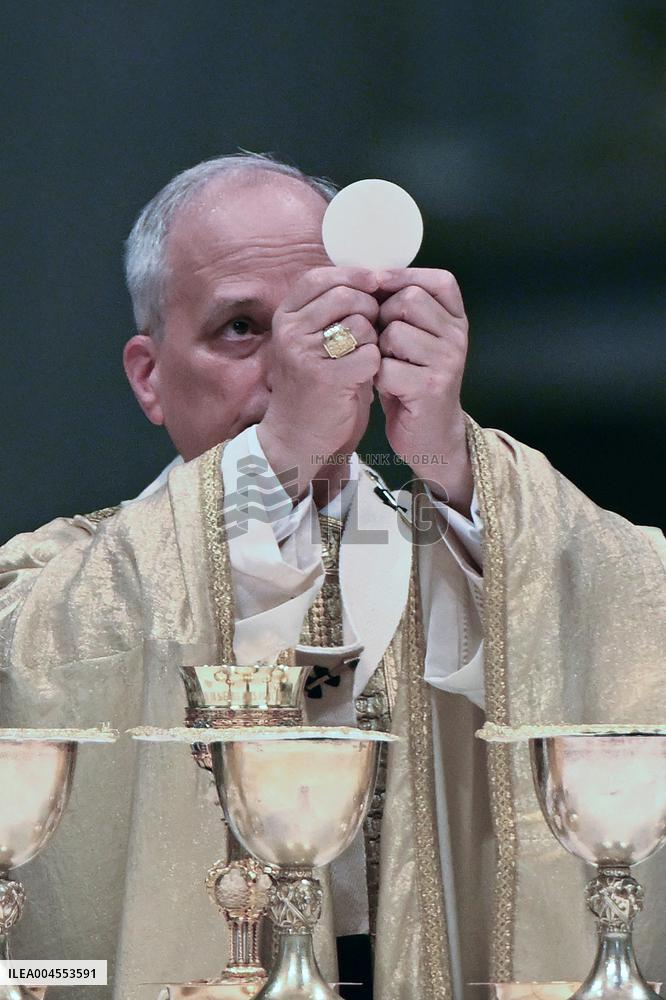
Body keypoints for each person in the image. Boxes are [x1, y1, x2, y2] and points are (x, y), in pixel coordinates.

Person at [0, 153, 664, 1000]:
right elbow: (23, 669)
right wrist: (277, 456)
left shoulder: (470, 537)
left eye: (334, 319)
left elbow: (637, 608)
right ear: (149, 376)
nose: (298, 363)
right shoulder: (63, 575)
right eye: (243, 328)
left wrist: (453, 459)